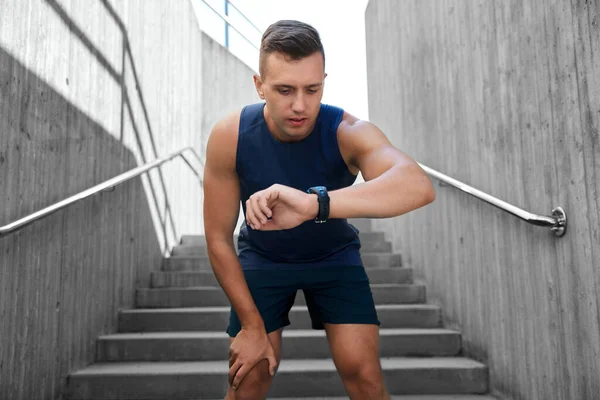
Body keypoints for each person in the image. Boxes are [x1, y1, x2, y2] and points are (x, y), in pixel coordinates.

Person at [203, 19, 436, 400]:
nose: (300, 105)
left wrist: (315, 205)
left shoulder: (347, 130)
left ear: (324, 81)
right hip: (263, 258)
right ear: (259, 86)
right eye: (284, 90)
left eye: (313, 89)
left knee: (364, 377)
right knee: (248, 380)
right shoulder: (230, 136)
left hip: (334, 255)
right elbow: (217, 238)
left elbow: (417, 185)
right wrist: (251, 326)